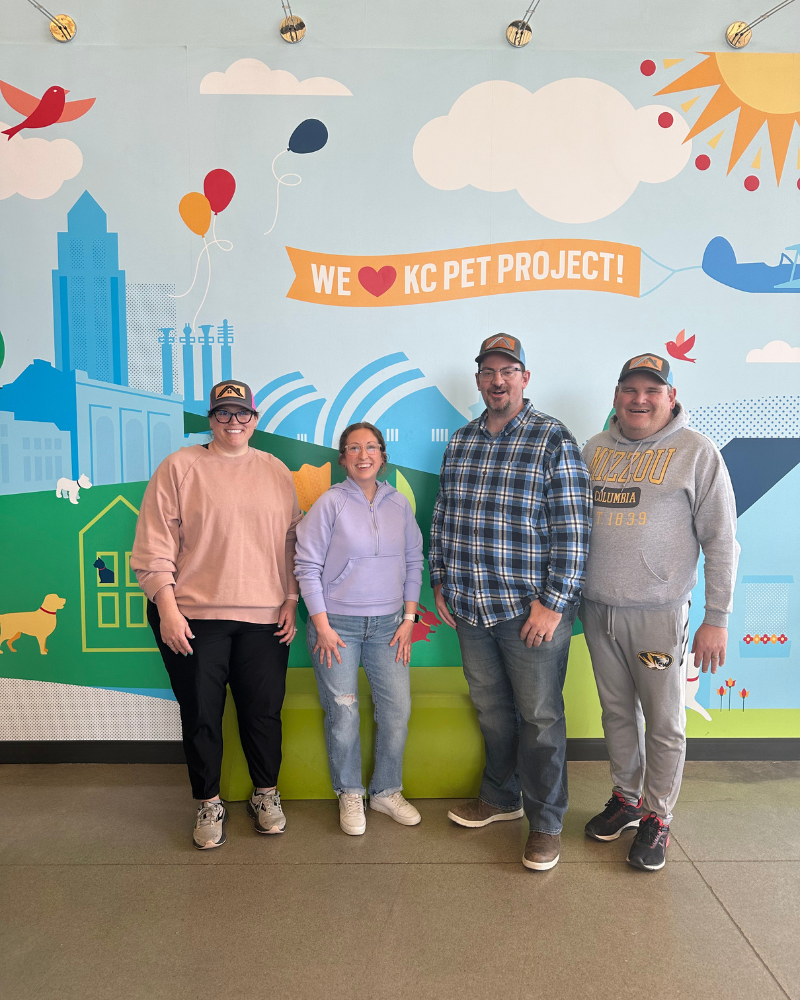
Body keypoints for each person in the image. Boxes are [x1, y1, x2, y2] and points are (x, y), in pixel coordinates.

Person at [430, 335, 592, 871]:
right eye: (488, 371)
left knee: (540, 718)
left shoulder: (552, 438)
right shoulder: (461, 441)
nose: (497, 380)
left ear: (524, 377)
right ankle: (501, 798)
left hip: (531, 613)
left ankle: (546, 824)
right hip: (471, 608)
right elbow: (444, 515)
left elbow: (574, 529)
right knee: (493, 712)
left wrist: (554, 602)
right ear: (478, 380)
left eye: (508, 370)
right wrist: (440, 579)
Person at [581, 353, 739, 871]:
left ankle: (658, 816)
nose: (640, 399)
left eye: (652, 390)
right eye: (630, 389)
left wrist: (717, 617)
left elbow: (722, 540)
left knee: (664, 721)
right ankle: (626, 799)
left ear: (671, 397)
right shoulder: (593, 450)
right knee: (616, 712)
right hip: (597, 609)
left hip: (659, 614)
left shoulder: (697, 451)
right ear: (616, 395)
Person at [131, 380, 302, 850]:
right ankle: (208, 802)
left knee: (263, 712)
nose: (233, 422)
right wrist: (167, 609)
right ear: (211, 419)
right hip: (192, 616)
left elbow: (291, 541)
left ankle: (265, 794)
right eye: (223, 413)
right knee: (202, 713)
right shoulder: (180, 467)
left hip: (265, 615)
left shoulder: (275, 470)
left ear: (255, 419)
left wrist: (291, 599)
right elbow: (153, 544)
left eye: (242, 413)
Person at [294, 422, 424, 836]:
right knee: (344, 713)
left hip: (389, 627)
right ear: (343, 458)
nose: (363, 455)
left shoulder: (399, 504)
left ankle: (386, 790)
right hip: (337, 628)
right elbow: (306, 566)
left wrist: (408, 619)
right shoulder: (329, 503)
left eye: (371, 447)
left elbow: (414, 561)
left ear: (382, 456)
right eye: (353, 448)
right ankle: (349, 792)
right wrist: (322, 625)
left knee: (397, 711)